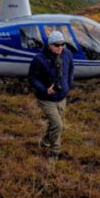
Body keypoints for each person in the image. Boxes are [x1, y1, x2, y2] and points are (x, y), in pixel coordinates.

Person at [28, 30, 75, 158]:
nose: (60, 47)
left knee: (54, 125)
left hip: (62, 97)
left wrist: (68, 85)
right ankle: (55, 152)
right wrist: (45, 90)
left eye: (62, 44)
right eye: (56, 45)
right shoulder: (39, 59)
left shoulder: (68, 54)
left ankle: (44, 143)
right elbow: (32, 78)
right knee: (58, 125)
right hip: (46, 98)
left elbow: (70, 70)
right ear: (49, 44)